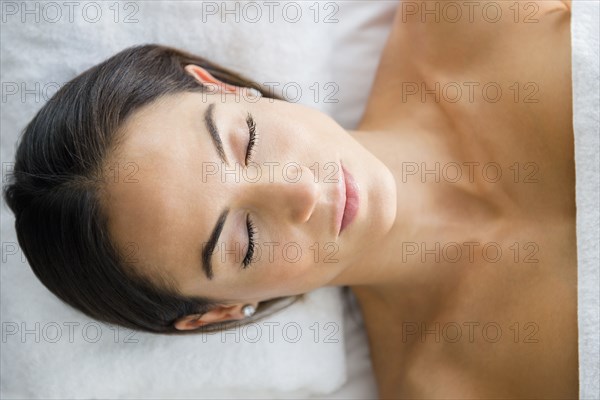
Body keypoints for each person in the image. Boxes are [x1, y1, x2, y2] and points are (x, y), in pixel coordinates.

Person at [3, 0, 576, 397]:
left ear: (221, 86)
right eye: (246, 240)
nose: (301, 191)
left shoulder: (470, 20)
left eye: (247, 142)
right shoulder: (454, 387)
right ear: (220, 312)